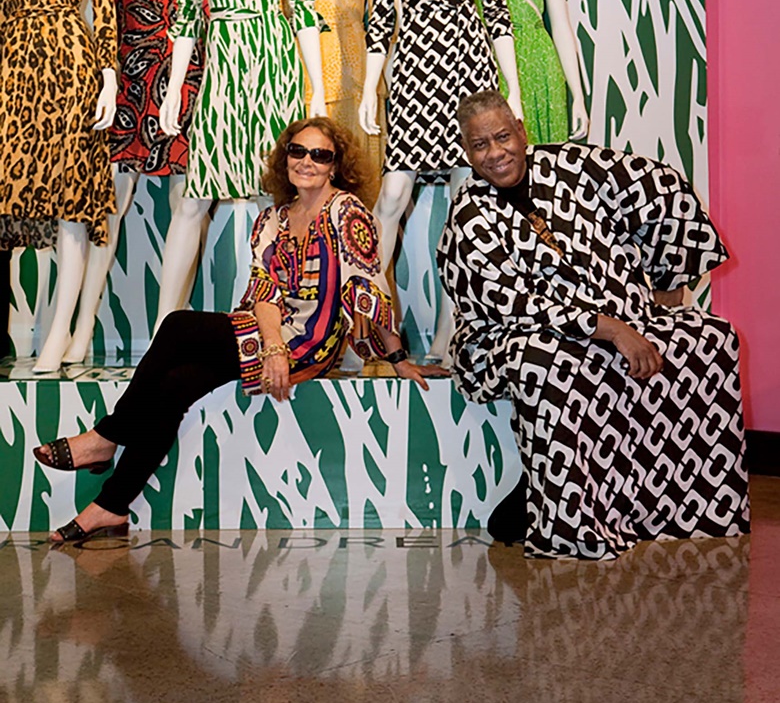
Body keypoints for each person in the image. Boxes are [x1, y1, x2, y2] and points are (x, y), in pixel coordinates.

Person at [33, 117, 443, 544]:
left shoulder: (347, 211)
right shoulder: (272, 218)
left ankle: (106, 437)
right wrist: (272, 346)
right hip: (268, 333)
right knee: (175, 385)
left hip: (311, 343)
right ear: (285, 158)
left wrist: (398, 359)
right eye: (298, 151)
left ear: (335, 167)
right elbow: (263, 291)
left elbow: (369, 285)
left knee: (177, 326)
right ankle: (112, 505)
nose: (307, 161)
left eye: (320, 155)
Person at [436, 89, 750, 560]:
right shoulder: (468, 214)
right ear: (466, 151)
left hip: (615, 315)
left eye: (502, 137)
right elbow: (515, 304)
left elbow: (660, 184)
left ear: (521, 131)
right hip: (506, 336)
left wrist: (671, 277)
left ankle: (678, 509)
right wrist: (611, 329)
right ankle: (563, 512)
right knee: (550, 360)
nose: (495, 153)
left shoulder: (570, 165)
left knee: (709, 339)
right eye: (480, 145)